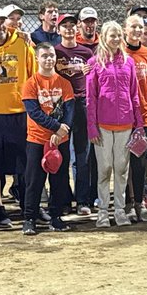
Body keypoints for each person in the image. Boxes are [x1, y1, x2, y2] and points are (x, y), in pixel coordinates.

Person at [0, 6, 36, 228]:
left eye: (2, 21)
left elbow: (33, 74)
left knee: (24, 163)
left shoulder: (22, 43)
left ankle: (29, 205)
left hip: (19, 112)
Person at [87, 20, 142, 228]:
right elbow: (91, 97)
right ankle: (103, 211)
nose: (116, 39)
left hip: (125, 124)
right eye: (112, 35)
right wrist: (91, 126)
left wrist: (138, 123)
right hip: (102, 125)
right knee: (105, 168)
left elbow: (135, 94)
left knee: (121, 168)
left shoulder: (129, 62)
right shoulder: (94, 63)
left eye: (119, 35)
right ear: (103, 37)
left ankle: (119, 210)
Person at [21, 42, 75, 234]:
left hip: (60, 140)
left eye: (51, 55)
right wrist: (57, 127)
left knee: (59, 180)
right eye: (44, 56)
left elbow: (69, 110)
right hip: (37, 139)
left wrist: (62, 131)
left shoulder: (64, 83)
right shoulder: (30, 84)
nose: (49, 59)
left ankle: (56, 216)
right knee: (34, 181)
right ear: (37, 58)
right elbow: (34, 113)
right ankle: (30, 218)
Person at [124, 13, 147, 222]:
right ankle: (127, 204)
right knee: (124, 162)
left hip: (144, 116)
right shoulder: (118, 52)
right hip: (122, 116)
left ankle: (139, 202)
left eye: (140, 27)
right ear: (125, 29)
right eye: (133, 26)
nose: (137, 31)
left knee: (139, 161)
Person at [55, 13, 95, 215]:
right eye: (65, 25)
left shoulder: (86, 52)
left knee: (82, 154)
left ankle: (82, 200)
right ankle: (63, 200)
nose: (69, 29)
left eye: (72, 25)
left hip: (81, 102)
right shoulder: (55, 52)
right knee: (62, 153)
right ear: (58, 30)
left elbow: (93, 78)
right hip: (61, 104)